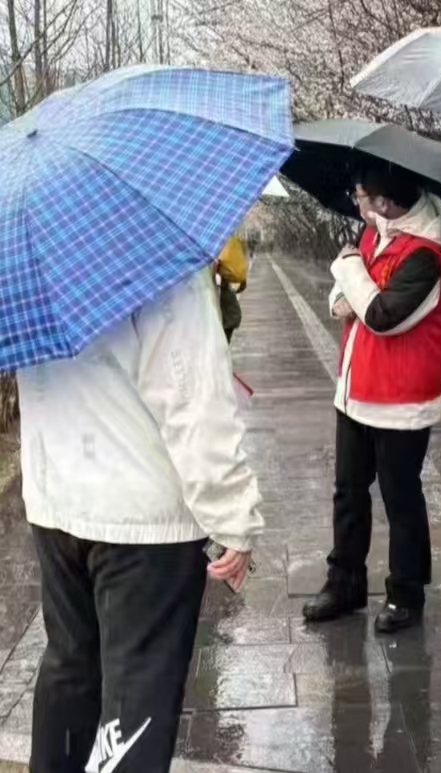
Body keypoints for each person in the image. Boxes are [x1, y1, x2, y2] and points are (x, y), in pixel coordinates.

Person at [18, 269, 263, 773]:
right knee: (136, 698)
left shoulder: (27, 254)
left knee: (70, 669)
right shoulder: (154, 254)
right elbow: (193, 395)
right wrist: (232, 514)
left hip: (56, 500)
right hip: (143, 520)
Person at [302, 164, 441, 634]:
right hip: (355, 390)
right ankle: (344, 581)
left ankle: (406, 592)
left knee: (400, 497)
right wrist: (349, 288)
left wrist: (350, 271)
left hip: (400, 400)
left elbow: (383, 316)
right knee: (348, 492)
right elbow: (341, 302)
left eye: (361, 195)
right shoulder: (374, 234)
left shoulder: (427, 255)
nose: (357, 202)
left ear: (385, 202)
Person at [215, 234, 249, 343]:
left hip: (218, 288)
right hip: (215, 291)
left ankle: (222, 345)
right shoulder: (219, 240)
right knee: (230, 318)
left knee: (231, 317)